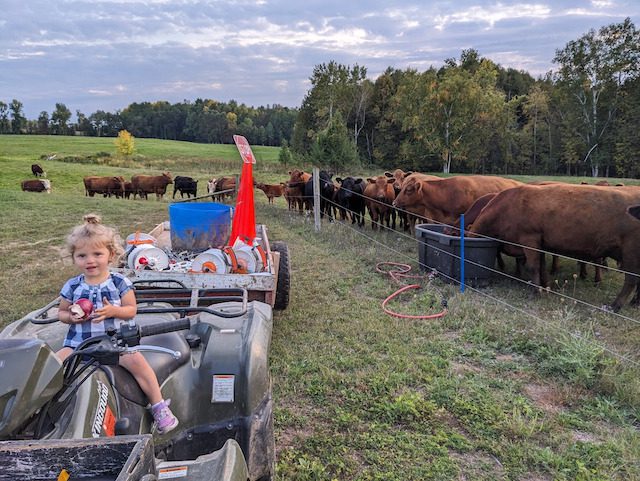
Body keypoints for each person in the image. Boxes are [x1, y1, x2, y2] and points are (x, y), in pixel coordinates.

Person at [57, 213, 178, 434]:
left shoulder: (119, 282)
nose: (90, 260)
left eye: (97, 254)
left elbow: (131, 310)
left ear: (111, 255)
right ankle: (39, 408)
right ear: (74, 258)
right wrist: (71, 316)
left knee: (140, 366)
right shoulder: (73, 286)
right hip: (78, 344)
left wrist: (114, 310)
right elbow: (61, 313)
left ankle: (159, 406)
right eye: (82, 255)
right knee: (53, 365)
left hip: (114, 343)